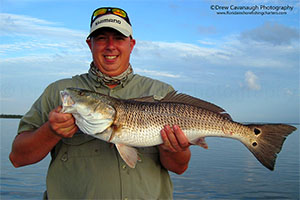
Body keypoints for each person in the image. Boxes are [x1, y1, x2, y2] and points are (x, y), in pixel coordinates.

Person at [9, 7, 191, 199]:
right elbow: (18, 158)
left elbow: (179, 168)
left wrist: (174, 149)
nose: (110, 46)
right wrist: (51, 131)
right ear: (90, 44)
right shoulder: (60, 92)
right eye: (102, 38)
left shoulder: (162, 94)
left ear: (132, 44)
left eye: (119, 38)